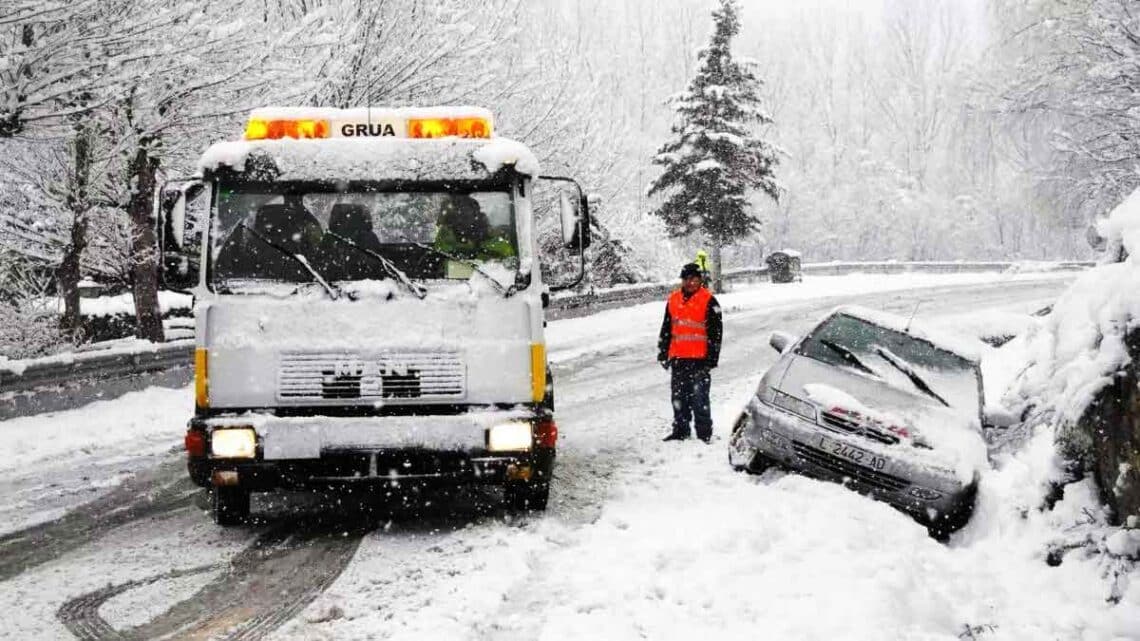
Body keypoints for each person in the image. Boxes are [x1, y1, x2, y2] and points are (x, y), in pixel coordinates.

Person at [658, 262, 723, 443]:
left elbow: (716, 333)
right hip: (678, 359)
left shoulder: (709, 301)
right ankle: (680, 430)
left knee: (699, 399)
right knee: (678, 398)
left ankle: (704, 434)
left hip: (700, 361)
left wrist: (711, 359)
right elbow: (666, 328)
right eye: (686, 279)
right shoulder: (673, 299)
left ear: (700, 279)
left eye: (693, 278)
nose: (690, 282)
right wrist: (663, 353)